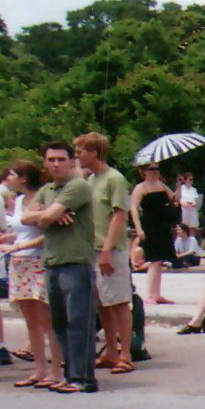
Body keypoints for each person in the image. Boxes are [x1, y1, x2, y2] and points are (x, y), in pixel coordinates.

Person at [22, 141, 98, 393]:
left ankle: (83, 378)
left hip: (76, 261)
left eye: (61, 159)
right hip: (52, 261)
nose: (56, 164)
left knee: (79, 323)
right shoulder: (47, 189)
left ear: (71, 161)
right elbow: (26, 217)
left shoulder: (77, 186)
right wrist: (51, 213)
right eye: (51, 159)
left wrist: (48, 214)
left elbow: (45, 218)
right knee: (60, 323)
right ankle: (69, 374)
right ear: (45, 162)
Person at [75, 134, 135, 375]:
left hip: (111, 249)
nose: (77, 156)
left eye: (80, 151)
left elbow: (119, 215)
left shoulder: (114, 179)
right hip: (92, 249)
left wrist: (107, 250)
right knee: (103, 304)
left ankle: (126, 353)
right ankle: (110, 350)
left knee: (119, 302)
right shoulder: (91, 180)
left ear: (93, 152)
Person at [2, 159, 59, 388]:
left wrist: (19, 246)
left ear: (24, 178)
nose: (7, 178)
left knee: (46, 319)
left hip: (38, 261)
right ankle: (39, 369)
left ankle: (56, 369)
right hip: (19, 262)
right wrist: (9, 240)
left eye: (11, 174)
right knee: (30, 320)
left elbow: (49, 234)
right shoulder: (18, 201)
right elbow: (21, 231)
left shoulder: (42, 197)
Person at [130, 158, 179, 306]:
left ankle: (157, 294)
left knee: (160, 260)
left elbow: (175, 199)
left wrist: (179, 186)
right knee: (153, 260)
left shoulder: (161, 186)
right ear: (144, 172)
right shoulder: (141, 188)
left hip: (162, 225)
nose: (155, 171)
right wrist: (138, 228)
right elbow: (134, 208)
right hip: (150, 225)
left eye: (157, 168)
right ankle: (151, 294)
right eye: (152, 169)